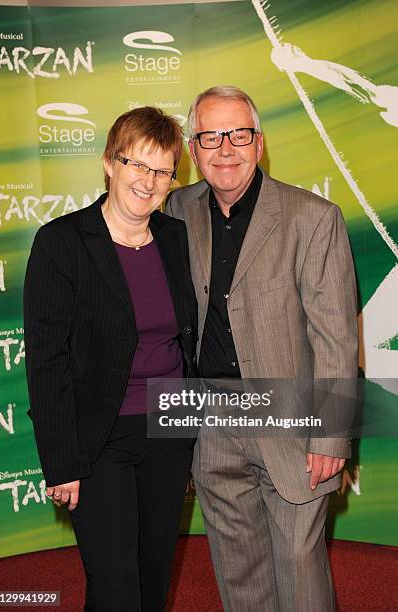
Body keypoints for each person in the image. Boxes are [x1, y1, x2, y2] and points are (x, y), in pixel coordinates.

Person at [166, 86, 358, 611]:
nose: (225, 148)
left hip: (294, 424)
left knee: (300, 570)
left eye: (238, 134)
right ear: (193, 148)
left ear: (259, 142)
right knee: (239, 573)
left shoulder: (312, 218)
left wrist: (332, 436)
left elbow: (337, 337)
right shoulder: (175, 211)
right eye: (210, 136)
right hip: (212, 424)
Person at [24, 106, 197, 612]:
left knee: (150, 576)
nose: (148, 181)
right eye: (136, 164)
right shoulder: (62, 243)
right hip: (98, 440)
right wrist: (61, 462)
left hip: (169, 430)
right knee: (117, 582)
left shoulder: (175, 239)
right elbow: (46, 360)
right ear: (109, 163)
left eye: (162, 169)